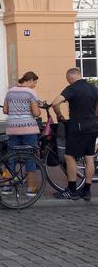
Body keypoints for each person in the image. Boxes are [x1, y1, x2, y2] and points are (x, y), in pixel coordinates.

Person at [52, 68, 98, 201]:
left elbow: (55, 103)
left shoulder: (72, 88)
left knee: (69, 156)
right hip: (93, 127)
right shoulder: (93, 88)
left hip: (77, 128)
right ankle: (87, 191)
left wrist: (59, 115)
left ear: (71, 77)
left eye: (68, 79)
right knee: (89, 158)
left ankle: (72, 190)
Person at [2, 71, 41, 197]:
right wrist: (37, 109)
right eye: (34, 83)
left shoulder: (10, 92)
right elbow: (36, 113)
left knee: (11, 156)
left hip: (12, 128)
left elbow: (5, 110)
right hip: (28, 128)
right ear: (29, 81)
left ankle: (6, 187)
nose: (34, 86)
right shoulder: (31, 93)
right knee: (30, 157)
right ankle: (30, 189)